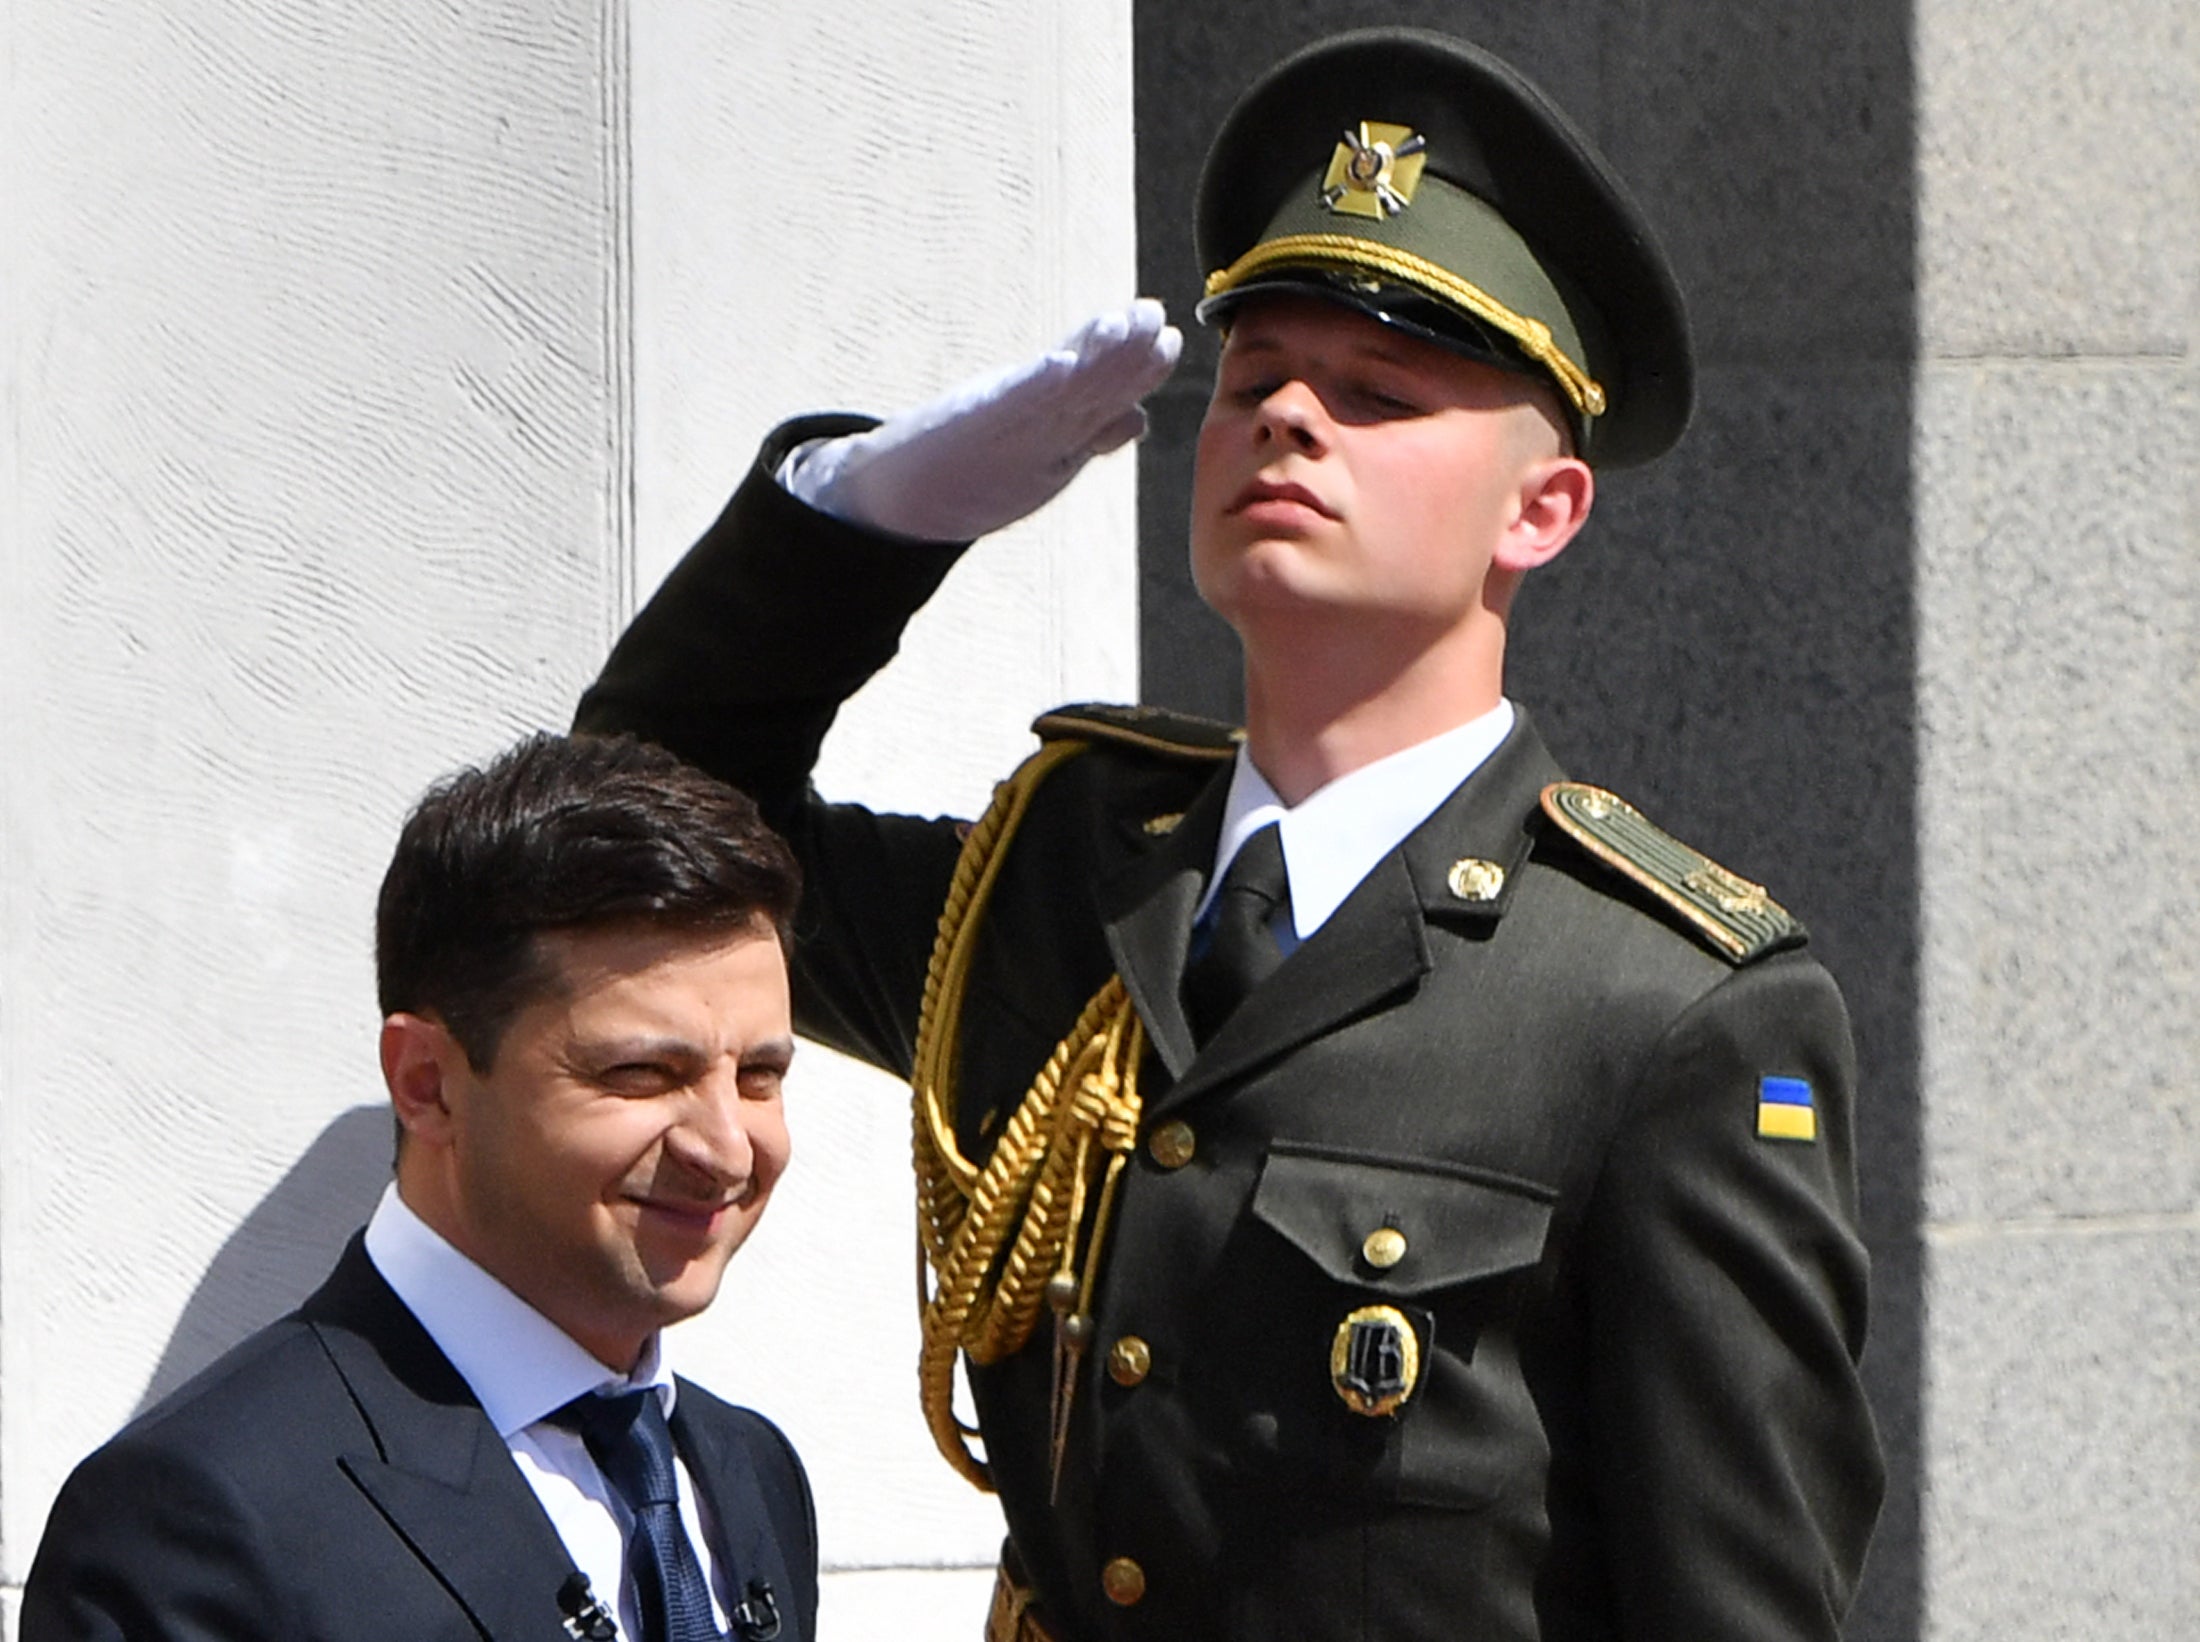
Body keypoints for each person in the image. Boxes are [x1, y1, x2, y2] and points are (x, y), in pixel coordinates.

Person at [577, 26, 1882, 1642]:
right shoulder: (1060, 880)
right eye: (1252, 381)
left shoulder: (1663, 1007)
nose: (1288, 422)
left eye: (1379, 396)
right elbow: (631, 835)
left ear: (1539, 511)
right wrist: (851, 527)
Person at [22, 733, 818, 1642]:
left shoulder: (750, 1473)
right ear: (427, 1083)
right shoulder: (196, 1518)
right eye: (641, 1072)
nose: (725, 1147)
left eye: (759, 1075)